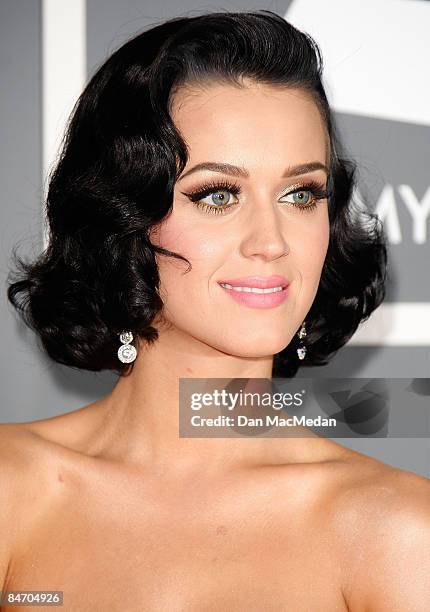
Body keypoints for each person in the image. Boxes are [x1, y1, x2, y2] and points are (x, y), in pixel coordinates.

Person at [2, 10, 429, 611]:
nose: (272, 241)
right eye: (217, 195)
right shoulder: (12, 487)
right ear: (122, 218)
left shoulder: (400, 532)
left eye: (300, 193)